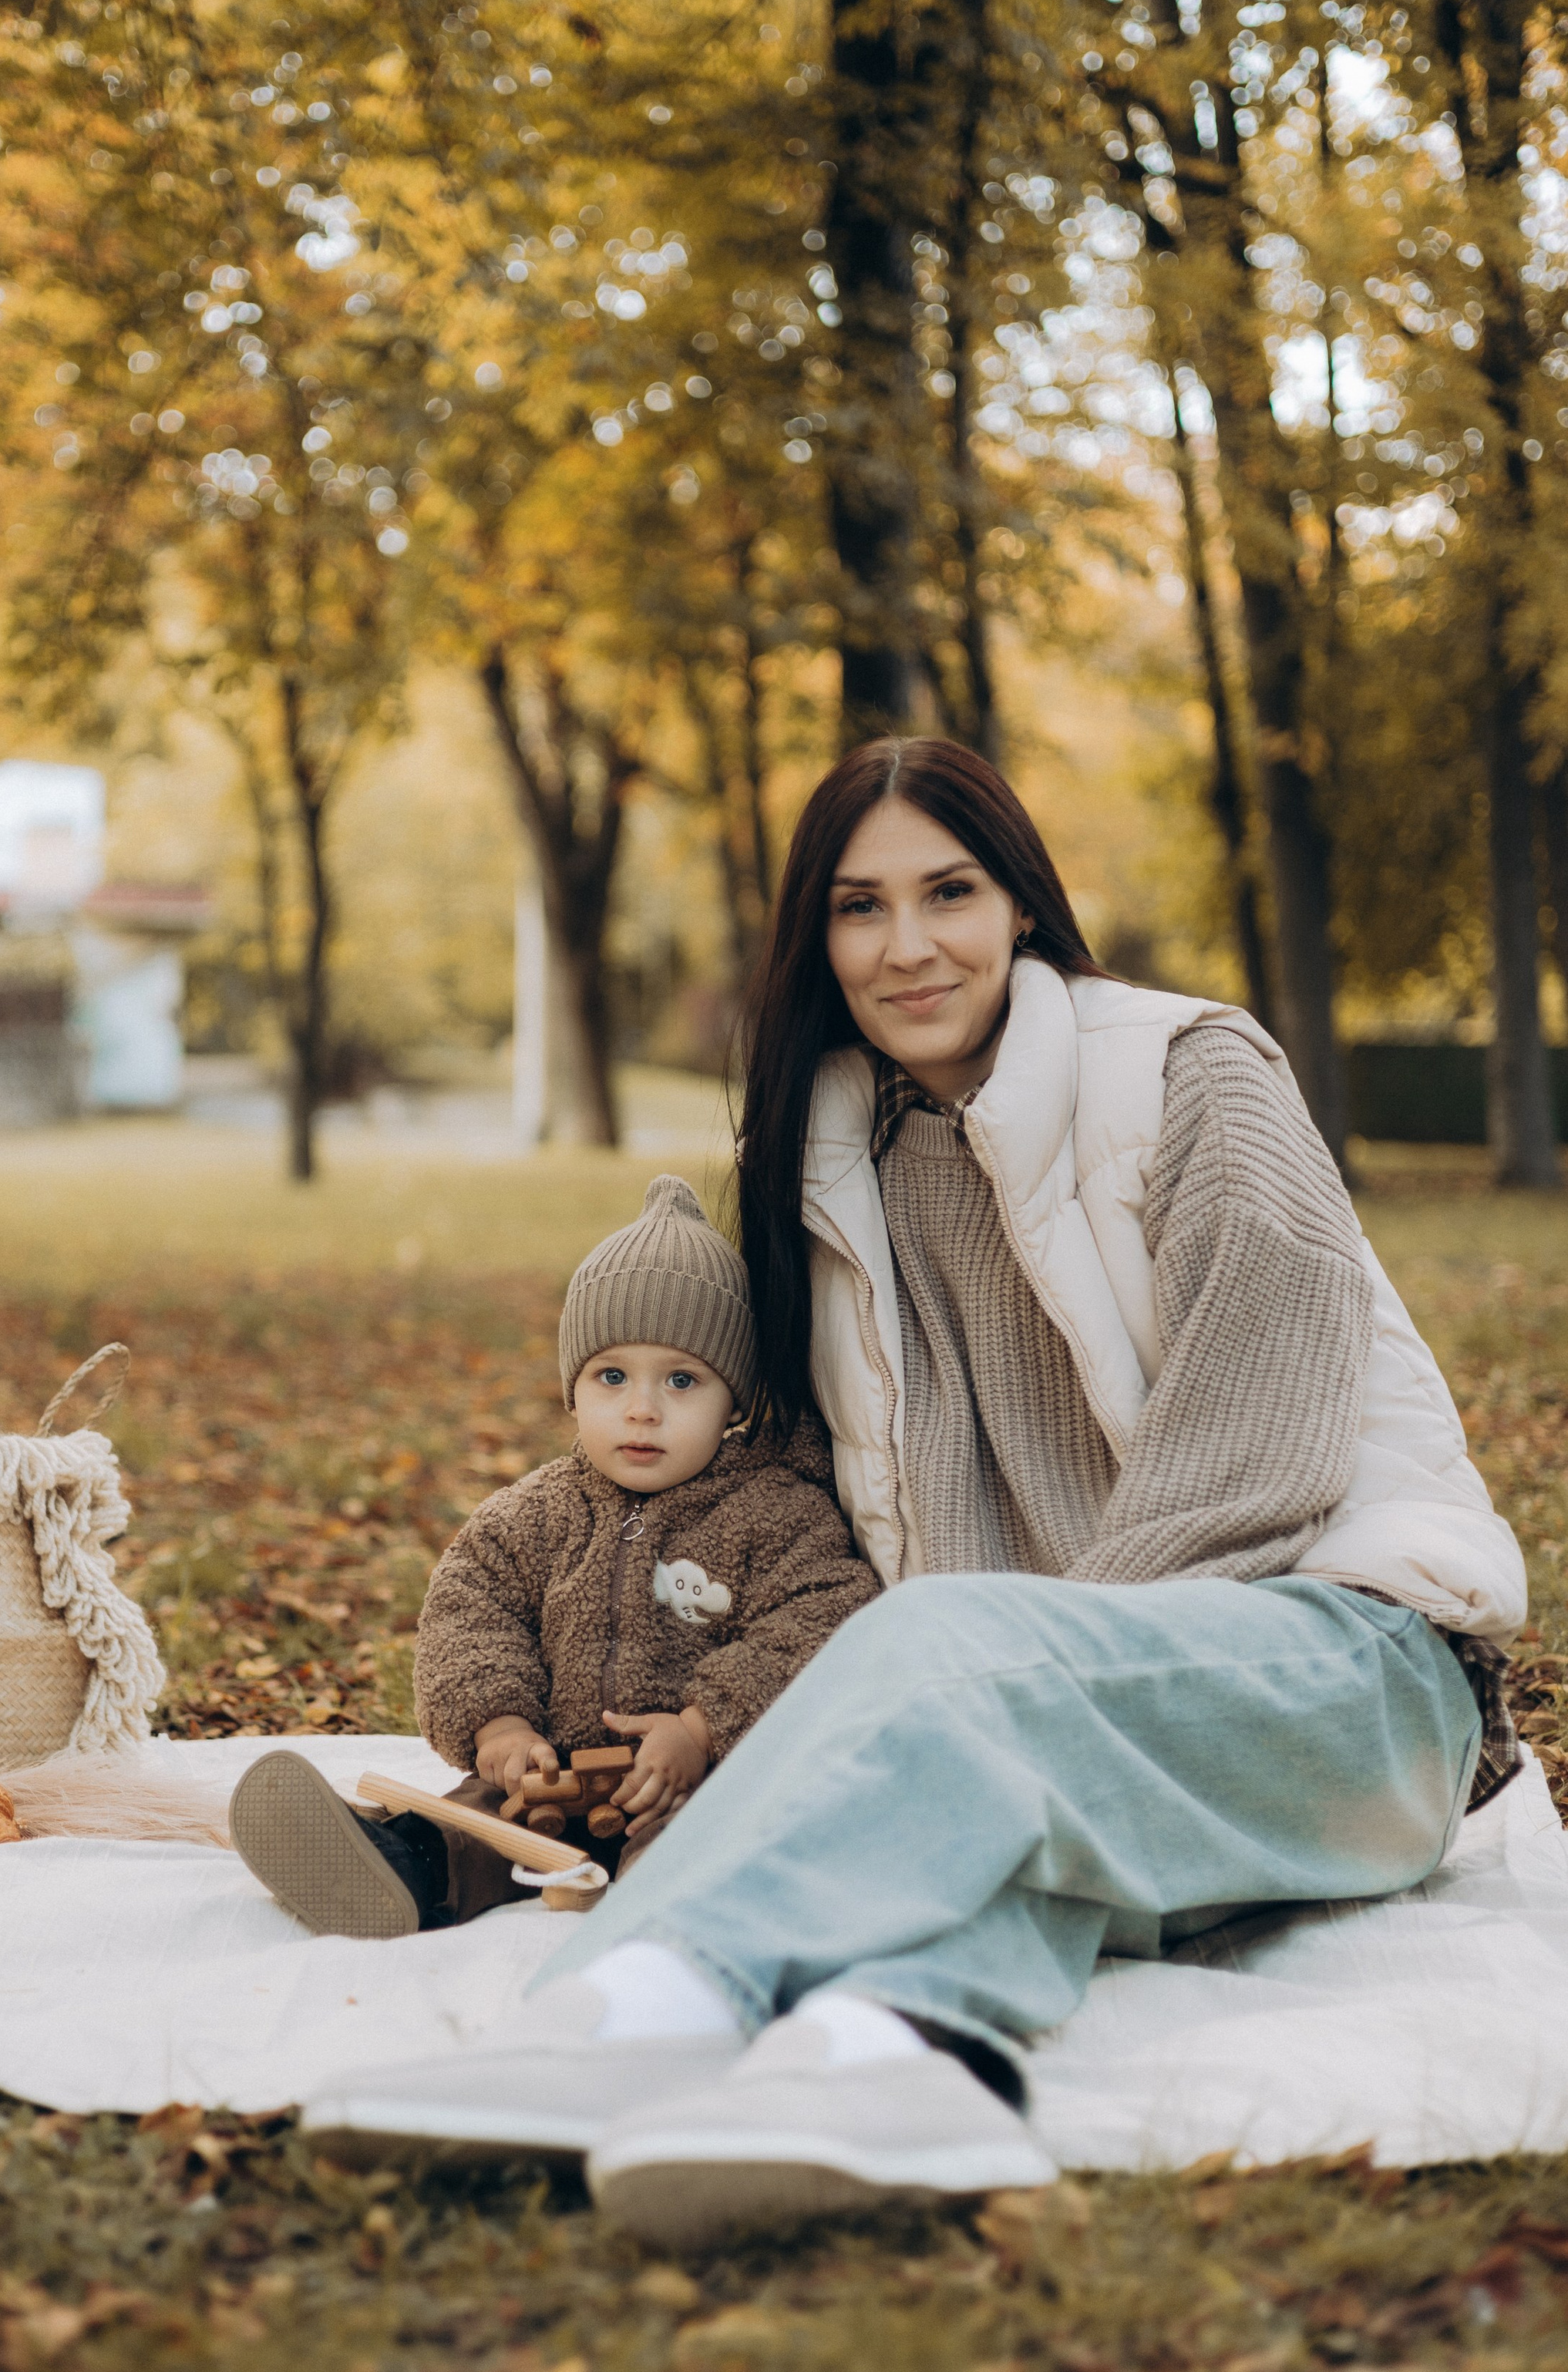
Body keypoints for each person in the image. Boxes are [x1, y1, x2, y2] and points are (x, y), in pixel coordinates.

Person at [298, 739, 1526, 2248]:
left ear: (1018, 902)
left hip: (1351, 1683)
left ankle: (628, 2008)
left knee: (942, 1665)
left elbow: (1253, 1457)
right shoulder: (818, 1168)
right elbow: (780, 1513)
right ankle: (887, 2057)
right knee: (950, 1733)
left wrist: (981, 1685)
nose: (906, 944)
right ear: (813, 939)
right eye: (856, 905)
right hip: (1039, 1727)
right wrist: (658, 1725)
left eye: (947, 890)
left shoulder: (1189, 1074)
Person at [229, 1174, 877, 1936]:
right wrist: (500, 1728)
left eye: (682, 1380)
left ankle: (676, 1908)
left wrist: (701, 1729)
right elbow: (472, 1611)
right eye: (611, 1377)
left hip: (688, 1785)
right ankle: (406, 1869)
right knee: (473, 1818)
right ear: (571, 1392)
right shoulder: (530, 1517)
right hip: (545, 1784)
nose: (642, 1408)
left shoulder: (772, 1513)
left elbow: (823, 1622)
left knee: (713, 1829)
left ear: (733, 1399)